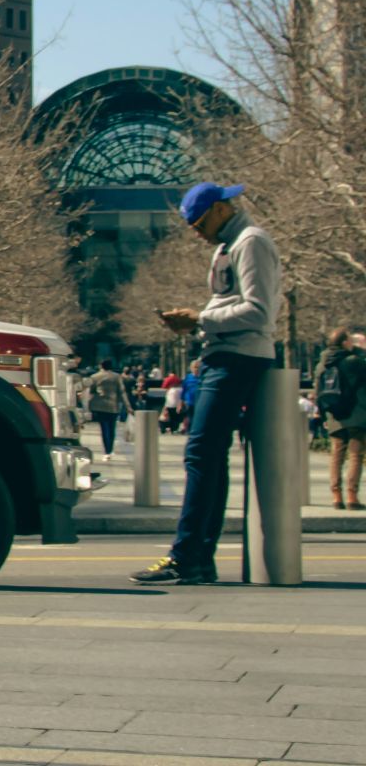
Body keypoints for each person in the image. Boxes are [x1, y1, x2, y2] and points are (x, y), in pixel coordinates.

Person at [133, 182, 281, 585]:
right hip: (223, 355)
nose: (196, 233)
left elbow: (259, 311)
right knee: (209, 457)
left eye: (199, 224)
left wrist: (200, 319)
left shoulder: (250, 242)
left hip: (238, 357)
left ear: (220, 209)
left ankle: (188, 553)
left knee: (202, 454)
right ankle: (197, 556)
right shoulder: (228, 246)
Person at [313, 327, 366, 510]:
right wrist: (360, 349)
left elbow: (318, 390)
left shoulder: (322, 363)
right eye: (350, 340)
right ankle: (352, 496)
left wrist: (322, 413)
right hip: (357, 413)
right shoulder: (354, 361)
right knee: (355, 455)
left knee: (336, 455)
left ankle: (336, 495)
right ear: (344, 342)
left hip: (334, 413)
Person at [87, 359, 128, 462]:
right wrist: (128, 406)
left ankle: (107, 451)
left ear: (101, 366)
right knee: (112, 428)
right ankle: (110, 449)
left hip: (100, 405)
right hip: (113, 405)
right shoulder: (116, 377)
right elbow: (122, 392)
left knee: (104, 428)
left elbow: (91, 391)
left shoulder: (95, 377)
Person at [159, 369, 184, 434]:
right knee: (176, 416)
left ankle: (165, 428)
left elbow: (164, 386)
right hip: (179, 395)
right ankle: (174, 429)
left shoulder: (168, 379)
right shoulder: (178, 379)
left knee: (168, 414)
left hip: (171, 395)